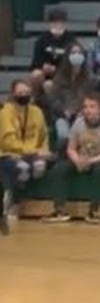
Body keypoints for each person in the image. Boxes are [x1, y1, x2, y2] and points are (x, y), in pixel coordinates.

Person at [44, 92, 100, 224]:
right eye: (85, 106)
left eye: (92, 106)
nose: (88, 110)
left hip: (98, 159)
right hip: (80, 158)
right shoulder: (78, 123)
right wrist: (77, 160)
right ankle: (60, 210)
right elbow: (71, 148)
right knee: (58, 171)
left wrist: (90, 161)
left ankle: (94, 211)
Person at [0, 80, 52, 221]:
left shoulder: (36, 111)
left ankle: (28, 200)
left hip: (32, 154)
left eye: (27, 93)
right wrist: (32, 152)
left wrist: (44, 151)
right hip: (8, 153)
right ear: (13, 94)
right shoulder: (5, 112)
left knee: (39, 165)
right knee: (21, 168)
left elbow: (43, 136)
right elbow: (8, 141)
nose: (24, 95)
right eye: (20, 93)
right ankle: (12, 203)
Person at [49, 42, 96, 149]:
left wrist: (83, 111)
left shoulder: (90, 78)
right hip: (62, 115)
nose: (77, 55)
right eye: (74, 52)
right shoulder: (59, 77)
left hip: (83, 115)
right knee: (63, 134)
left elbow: (93, 98)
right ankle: (61, 156)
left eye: (79, 52)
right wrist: (63, 111)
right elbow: (53, 100)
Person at [30, 8, 76, 83]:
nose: (58, 25)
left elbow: (73, 61)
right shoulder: (42, 39)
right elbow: (36, 61)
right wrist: (43, 66)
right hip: (46, 72)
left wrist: (57, 69)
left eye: (60, 22)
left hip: (64, 72)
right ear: (50, 23)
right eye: (54, 22)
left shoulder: (71, 39)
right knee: (36, 74)